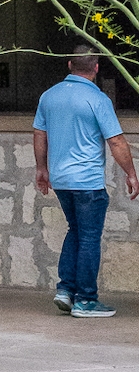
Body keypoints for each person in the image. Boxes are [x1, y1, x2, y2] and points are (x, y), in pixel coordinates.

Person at [34, 48, 139, 318]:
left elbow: (40, 134)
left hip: (61, 180)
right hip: (88, 181)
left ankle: (66, 291)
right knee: (89, 237)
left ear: (70, 64)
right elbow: (116, 141)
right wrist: (130, 173)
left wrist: (42, 169)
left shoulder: (49, 96)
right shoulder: (98, 99)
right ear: (96, 68)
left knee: (76, 231)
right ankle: (86, 301)